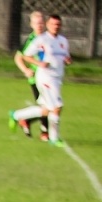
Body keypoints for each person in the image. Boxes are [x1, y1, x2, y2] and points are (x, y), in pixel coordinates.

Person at [9, 14, 70, 146]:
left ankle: (16, 115)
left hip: (57, 78)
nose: (56, 27)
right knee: (57, 106)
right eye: (53, 24)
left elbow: (64, 57)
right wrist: (37, 64)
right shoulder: (39, 40)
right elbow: (25, 56)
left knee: (46, 109)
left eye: (58, 24)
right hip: (45, 78)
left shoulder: (63, 41)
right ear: (48, 25)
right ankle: (52, 138)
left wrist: (67, 60)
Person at [12, 9, 49, 140]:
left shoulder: (48, 38)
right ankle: (44, 132)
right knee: (47, 105)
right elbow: (18, 58)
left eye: (41, 23)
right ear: (31, 25)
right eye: (36, 23)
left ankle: (25, 120)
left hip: (48, 77)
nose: (39, 25)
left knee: (47, 106)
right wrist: (26, 70)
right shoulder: (31, 40)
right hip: (36, 79)